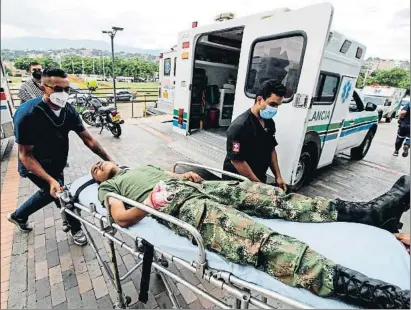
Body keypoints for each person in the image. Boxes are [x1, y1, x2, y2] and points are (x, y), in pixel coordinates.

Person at [90, 161, 410, 309]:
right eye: (94, 168)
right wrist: (149, 204)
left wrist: (181, 174)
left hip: (197, 187)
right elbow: (120, 217)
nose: (98, 165)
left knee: (271, 198)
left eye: (99, 162)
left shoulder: (139, 166)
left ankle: (366, 213)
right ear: (99, 180)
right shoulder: (109, 187)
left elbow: (169, 175)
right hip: (181, 205)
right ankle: (373, 292)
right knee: (255, 240)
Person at [8, 68, 115, 246]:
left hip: (57, 163)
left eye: (67, 89)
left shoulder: (68, 111)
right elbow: (25, 156)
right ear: (43, 88)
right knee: (64, 196)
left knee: (49, 194)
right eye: (58, 89)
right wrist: (50, 180)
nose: (64, 94)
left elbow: (89, 140)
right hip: (35, 167)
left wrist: (110, 160)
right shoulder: (27, 115)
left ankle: (18, 215)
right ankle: (76, 228)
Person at [223, 80, 287, 190]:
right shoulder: (239, 127)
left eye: (278, 105)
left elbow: (271, 149)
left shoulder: (269, 122)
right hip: (237, 183)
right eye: (272, 104)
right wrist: (258, 184)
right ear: (259, 99)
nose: (275, 109)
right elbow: (237, 160)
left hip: (259, 178)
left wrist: (278, 177)